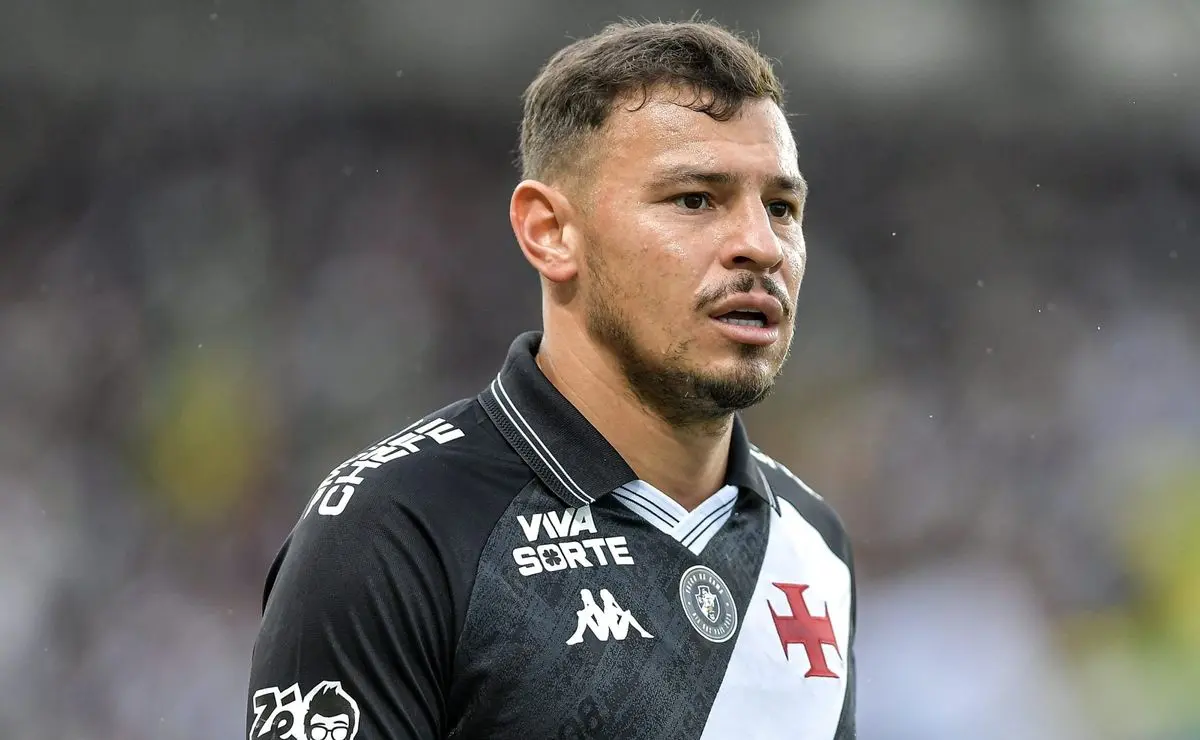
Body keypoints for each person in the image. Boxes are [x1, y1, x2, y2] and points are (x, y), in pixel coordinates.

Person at [247, 18, 856, 740]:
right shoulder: (396, 530)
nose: (761, 245)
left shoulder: (813, 541)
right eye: (695, 199)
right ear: (550, 232)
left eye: (781, 208)